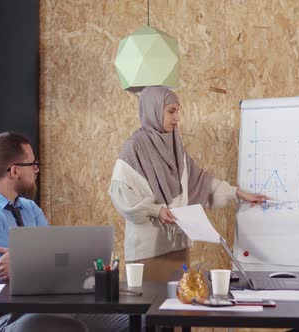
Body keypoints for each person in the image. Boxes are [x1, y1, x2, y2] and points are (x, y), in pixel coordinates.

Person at [0, 132, 127, 332]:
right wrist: (42, 261)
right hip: (11, 316)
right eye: (32, 164)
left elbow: (51, 259)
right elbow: (21, 274)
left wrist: (28, 259)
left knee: (139, 321)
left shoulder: (30, 208)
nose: (36, 169)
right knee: (49, 326)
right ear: (15, 171)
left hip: (56, 305)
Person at [109, 86, 268, 282]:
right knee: (149, 308)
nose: (176, 118)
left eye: (178, 111)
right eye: (170, 111)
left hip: (178, 247)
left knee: (178, 305)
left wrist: (238, 193)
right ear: (154, 109)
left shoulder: (175, 145)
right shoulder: (134, 147)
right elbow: (122, 195)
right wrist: (156, 210)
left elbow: (200, 182)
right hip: (148, 252)